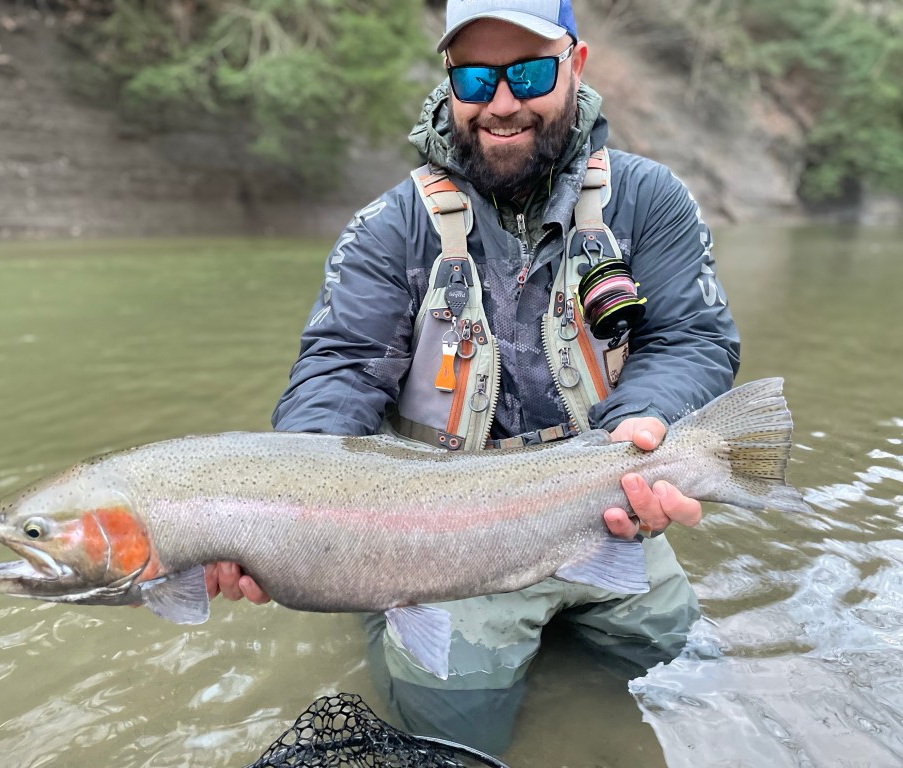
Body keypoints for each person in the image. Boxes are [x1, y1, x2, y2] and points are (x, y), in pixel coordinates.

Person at [207, 0, 738, 755]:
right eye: (477, 79)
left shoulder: (649, 200)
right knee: (456, 740)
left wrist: (645, 420)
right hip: (438, 538)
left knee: (691, 684)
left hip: (606, 501)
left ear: (576, 65)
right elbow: (340, 369)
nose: (502, 103)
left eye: (529, 74)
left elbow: (691, 337)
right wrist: (287, 513)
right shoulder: (390, 228)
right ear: (450, 82)